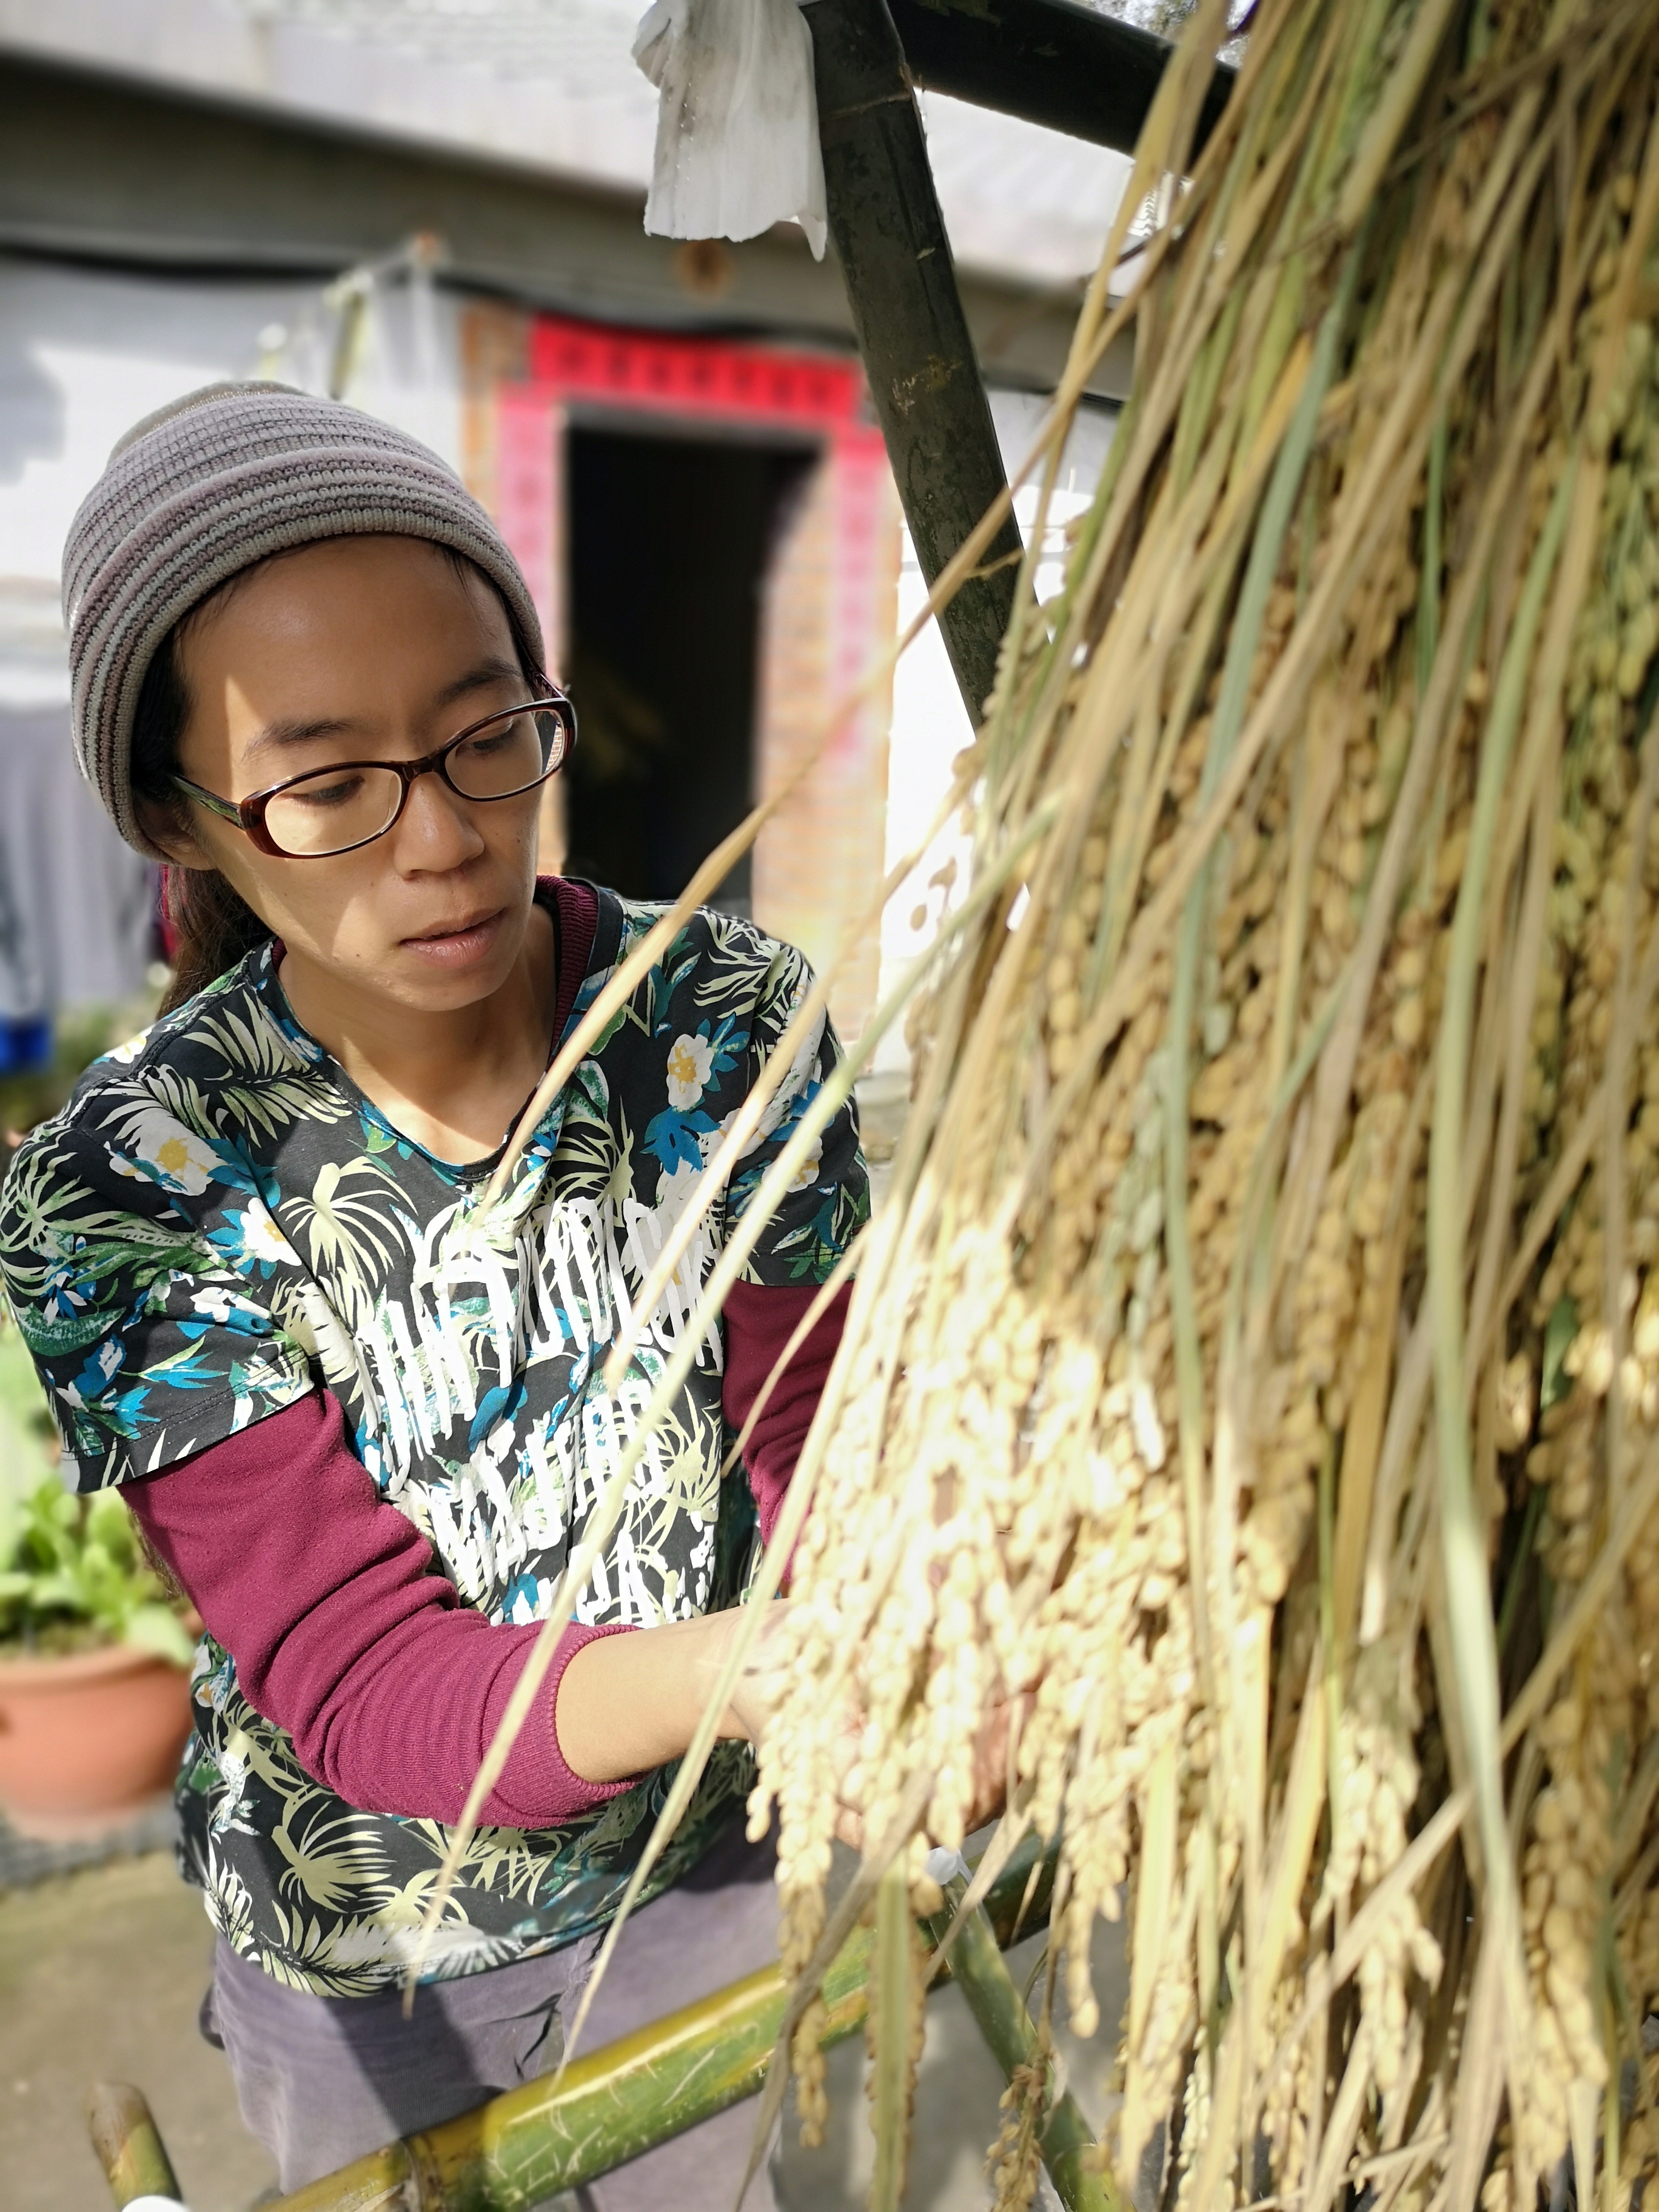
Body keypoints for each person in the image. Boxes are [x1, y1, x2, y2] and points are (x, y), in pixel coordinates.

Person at [0, 384, 865, 2202]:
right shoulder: (133, 1185)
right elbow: (366, 1680)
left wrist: (859, 1608)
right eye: (326, 785)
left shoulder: (716, 1023)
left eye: (488, 736)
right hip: (373, 1968)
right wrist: (776, 1668)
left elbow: (799, 1437)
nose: (443, 836)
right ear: (182, 817)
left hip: (700, 1867)